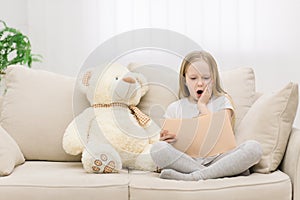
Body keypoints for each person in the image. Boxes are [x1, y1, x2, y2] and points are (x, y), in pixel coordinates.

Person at [150, 50, 263, 181]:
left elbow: (220, 136)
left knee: (254, 148)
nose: (200, 83)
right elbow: (168, 145)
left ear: (213, 80)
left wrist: (202, 106)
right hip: (187, 161)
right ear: (185, 80)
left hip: (219, 159)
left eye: (206, 78)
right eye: (193, 78)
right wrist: (166, 140)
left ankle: (194, 176)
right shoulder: (175, 108)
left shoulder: (222, 102)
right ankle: (216, 173)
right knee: (157, 149)